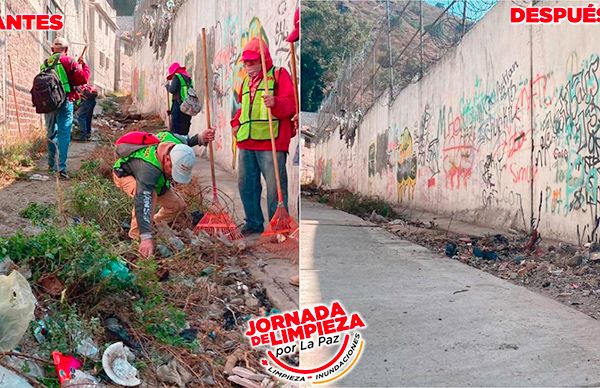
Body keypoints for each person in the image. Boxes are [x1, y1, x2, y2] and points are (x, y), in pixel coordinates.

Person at [112, 128, 215, 258]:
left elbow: (186, 142)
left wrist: (200, 137)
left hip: (158, 181)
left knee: (178, 205)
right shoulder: (148, 169)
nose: (172, 175)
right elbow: (143, 200)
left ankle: (153, 224)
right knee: (150, 197)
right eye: (172, 170)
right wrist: (146, 238)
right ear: (167, 159)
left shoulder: (173, 142)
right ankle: (137, 240)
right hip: (125, 175)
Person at [231, 37, 296, 235]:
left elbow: (292, 105)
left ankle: (277, 226)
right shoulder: (245, 82)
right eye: (246, 62)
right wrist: (235, 124)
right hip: (246, 141)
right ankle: (253, 222)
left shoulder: (278, 75)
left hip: (271, 141)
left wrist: (275, 102)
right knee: (246, 184)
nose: (248, 65)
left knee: (275, 187)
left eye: (252, 61)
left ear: (263, 59)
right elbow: (241, 110)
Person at [42, 37, 90, 179]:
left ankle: (51, 165)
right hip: (65, 100)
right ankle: (61, 168)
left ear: (52, 50)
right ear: (67, 50)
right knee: (64, 134)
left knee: (51, 133)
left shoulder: (45, 63)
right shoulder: (69, 60)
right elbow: (83, 79)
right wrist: (84, 65)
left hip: (49, 103)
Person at [166, 62, 193, 136]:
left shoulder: (177, 76)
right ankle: (185, 142)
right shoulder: (188, 78)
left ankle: (177, 143)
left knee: (176, 128)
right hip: (187, 105)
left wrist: (167, 87)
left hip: (178, 105)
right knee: (185, 126)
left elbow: (172, 89)